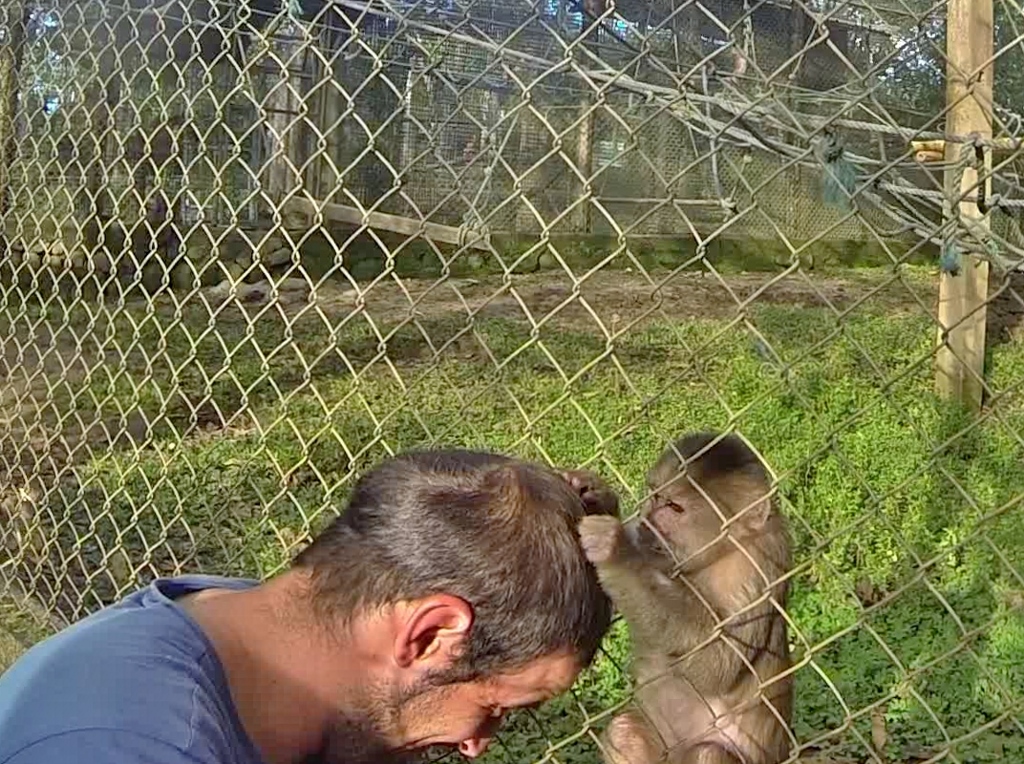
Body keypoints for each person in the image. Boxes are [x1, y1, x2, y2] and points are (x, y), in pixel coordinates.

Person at [0, 448, 613, 764]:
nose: (478, 743)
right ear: (429, 635)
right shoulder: (128, 743)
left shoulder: (253, 624)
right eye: (498, 707)